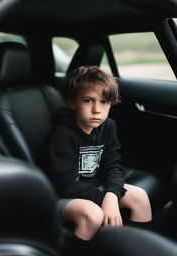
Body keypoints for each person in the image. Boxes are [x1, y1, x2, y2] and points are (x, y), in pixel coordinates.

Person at [43, 66, 152, 241]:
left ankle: (137, 247)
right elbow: (66, 184)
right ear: (72, 102)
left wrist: (111, 195)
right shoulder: (62, 134)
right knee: (93, 215)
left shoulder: (108, 126)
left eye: (104, 102)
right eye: (88, 100)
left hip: (93, 187)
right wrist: (105, 199)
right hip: (62, 196)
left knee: (140, 197)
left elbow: (114, 166)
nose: (97, 109)